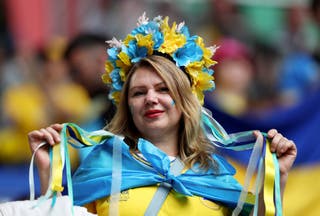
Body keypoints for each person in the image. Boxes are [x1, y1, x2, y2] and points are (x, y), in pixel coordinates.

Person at [28, 13, 297, 215]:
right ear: (128, 105)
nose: (151, 99)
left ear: (183, 98)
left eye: (163, 89)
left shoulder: (215, 174)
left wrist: (278, 177)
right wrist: (46, 173)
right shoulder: (102, 167)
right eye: (138, 92)